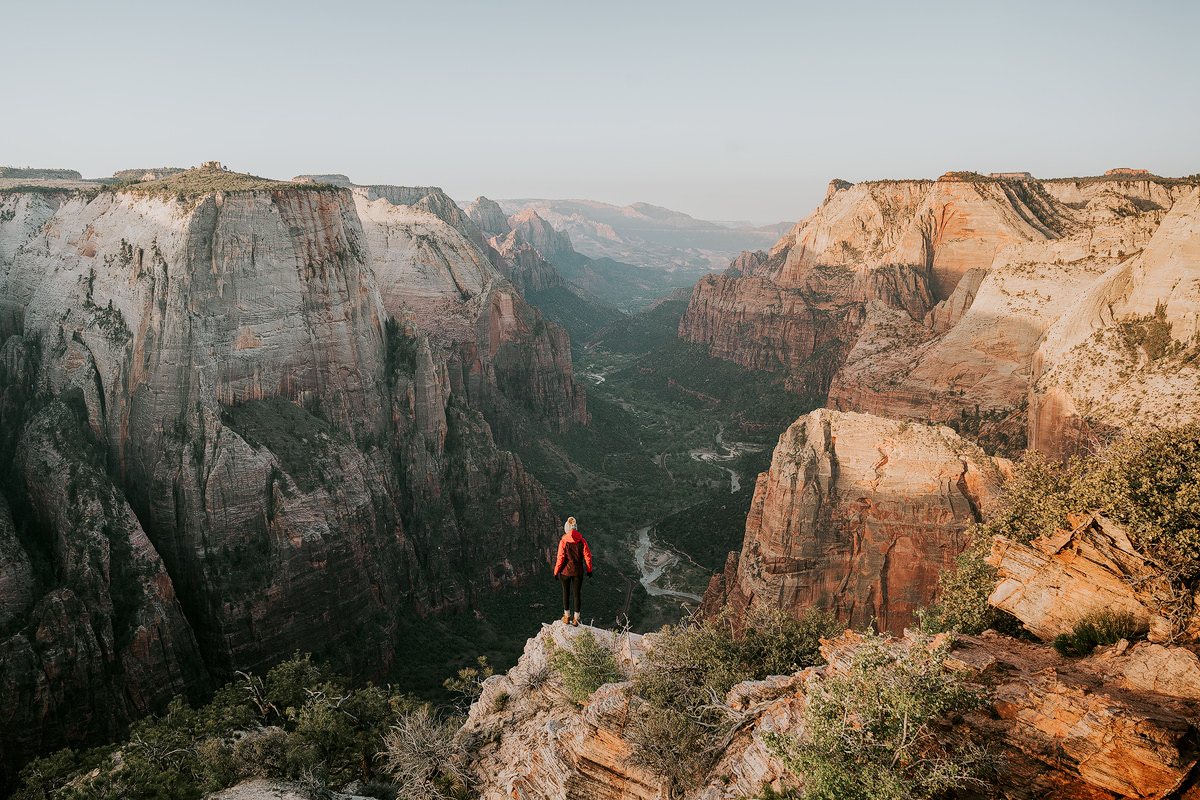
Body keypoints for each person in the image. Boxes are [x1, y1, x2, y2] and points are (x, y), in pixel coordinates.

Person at [553, 516, 592, 626]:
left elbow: (560, 558)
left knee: (566, 592)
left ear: (566, 529)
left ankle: (566, 616)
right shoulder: (582, 541)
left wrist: (556, 572)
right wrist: (589, 569)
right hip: (578, 572)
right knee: (577, 594)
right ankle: (576, 619)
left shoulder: (563, 541)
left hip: (565, 572)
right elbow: (587, 556)